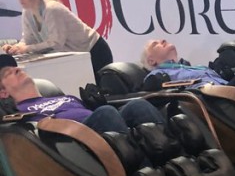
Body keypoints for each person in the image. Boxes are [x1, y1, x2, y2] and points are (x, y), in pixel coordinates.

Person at [0, 63, 164, 135]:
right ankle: (145, 172)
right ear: (3, 93)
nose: (16, 69)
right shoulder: (21, 113)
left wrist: (96, 104)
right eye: (8, 73)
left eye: (16, 68)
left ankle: (173, 159)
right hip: (73, 139)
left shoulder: (64, 97)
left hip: (98, 125)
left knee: (138, 105)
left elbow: (91, 113)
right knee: (106, 113)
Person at [2, 0, 113, 77]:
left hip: (94, 51)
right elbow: (28, 40)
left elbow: (56, 43)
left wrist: (26, 48)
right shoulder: (27, 12)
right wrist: (16, 48)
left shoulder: (52, 9)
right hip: (76, 57)